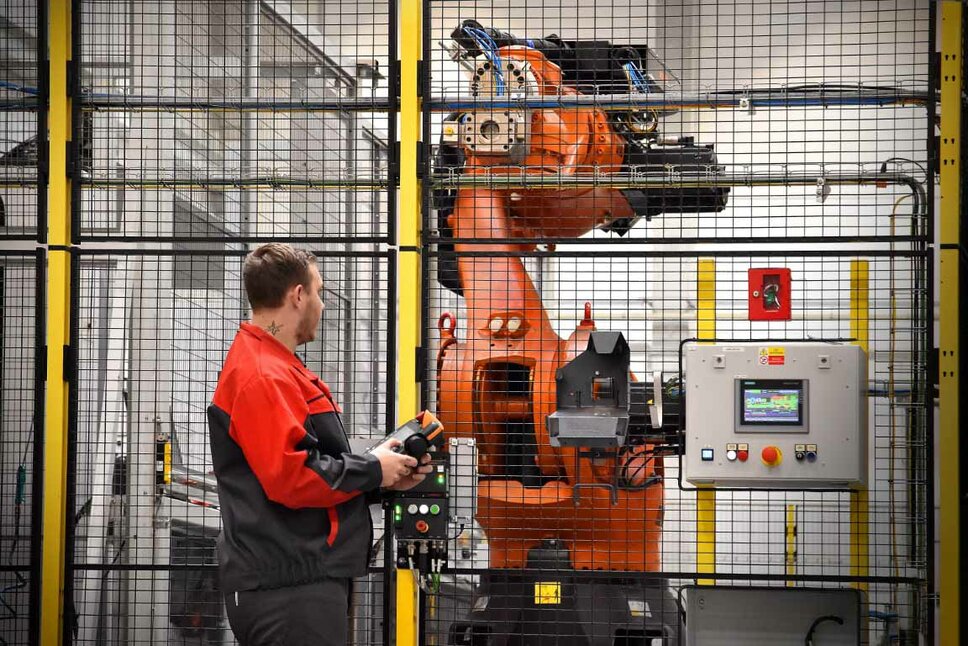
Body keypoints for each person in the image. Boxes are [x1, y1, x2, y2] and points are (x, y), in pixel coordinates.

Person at [207, 243, 431, 646]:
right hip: (289, 586)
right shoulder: (263, 376)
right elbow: (292, 476)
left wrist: (382, 479)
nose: (323, 305)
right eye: (319, 292)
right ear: (297, 295)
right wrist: (373, 468)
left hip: (298, 578)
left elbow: (306, 469)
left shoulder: (277, 368)